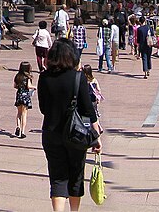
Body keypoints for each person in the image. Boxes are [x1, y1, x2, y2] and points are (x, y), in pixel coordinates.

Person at [38, 40, 103, 211]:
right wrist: (96, 137)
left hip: (51, 133)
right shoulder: (78, 77)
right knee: (76, 176)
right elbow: (88, 109)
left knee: (57, 177)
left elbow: (43, 108)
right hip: (76, 134)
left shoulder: (44, 77)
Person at [13, 62, 34, 139]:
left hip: (19, 95)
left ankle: (18, 126)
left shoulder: (17, 76)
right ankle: (23, 132)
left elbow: (15, 86)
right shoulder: (27, 77)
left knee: (19, 113)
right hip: (25, 95)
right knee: (24, 114)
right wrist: (34, 87)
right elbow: (29, 86)